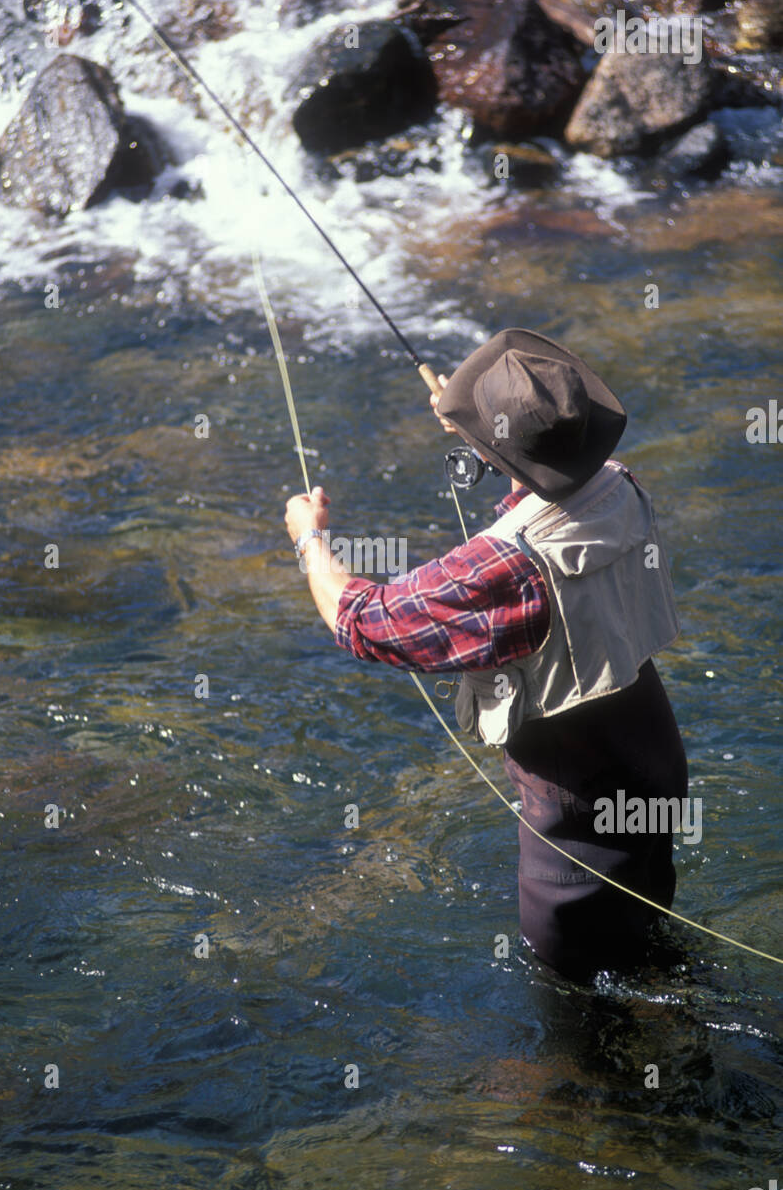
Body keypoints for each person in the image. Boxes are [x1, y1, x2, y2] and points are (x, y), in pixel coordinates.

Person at [284, 328, 687, 980]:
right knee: (654, 957)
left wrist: (310, 541)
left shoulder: (506, 567)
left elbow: (362, 619)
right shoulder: (618, 484)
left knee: (579, 1013)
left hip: (577, 835)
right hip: (653, 767)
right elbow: (550, 481)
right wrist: (487, 435)